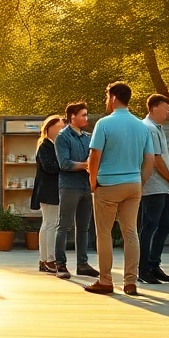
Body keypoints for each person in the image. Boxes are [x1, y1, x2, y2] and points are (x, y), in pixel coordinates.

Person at [83, 82, 154, 297]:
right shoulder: (142, 126)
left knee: (104, 234)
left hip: (108, 185)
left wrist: (92, 181)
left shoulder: (104, 124)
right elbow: (149, 160)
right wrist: (139, 183)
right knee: (130, 232)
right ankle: (130, 282)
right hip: (133, 184)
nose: (106, 101)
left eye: (107, 97)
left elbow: (94, 156)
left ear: (113, 98)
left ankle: (105, 280)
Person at [138, 94, 169, 284]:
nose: (168, 112)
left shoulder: (158, 128)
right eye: (165, 108)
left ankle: (154, 265)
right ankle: (143, 268)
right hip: (153, 186)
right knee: (149, 226)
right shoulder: (148, 128)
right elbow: (155, 159)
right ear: (154, 108)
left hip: (161, 186)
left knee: (165, 225)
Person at [54, 101, 98, 280]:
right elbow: (64, 163)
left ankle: (82, 264)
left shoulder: (88, 137)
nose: (86, 118)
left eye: (86, 115)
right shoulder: (62, 137)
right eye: (83, 115)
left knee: (84, 227)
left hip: (86, 186)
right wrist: (87, 165)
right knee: (64, 226)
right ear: (72, 116)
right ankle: (60, 264)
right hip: (69, 186)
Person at [30, 114, 64, 273]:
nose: (61, 131)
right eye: (58, 128)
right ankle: (49, 259)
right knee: (51, 224)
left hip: (49, 190)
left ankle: (44, 259)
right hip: (48, 190)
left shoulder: (50, 145)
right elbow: (50, 167)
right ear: (48, 129)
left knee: (48, 224)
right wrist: (65, 164)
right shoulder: (45, 146)